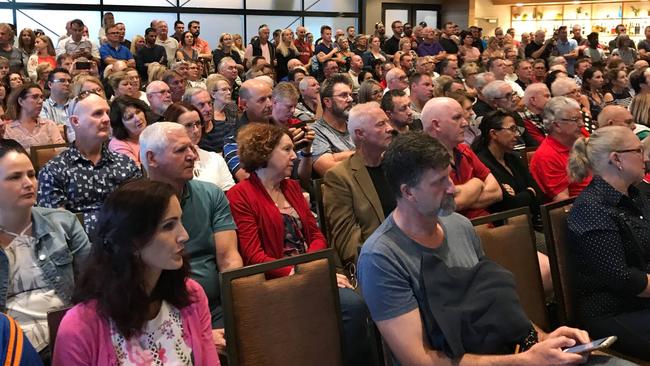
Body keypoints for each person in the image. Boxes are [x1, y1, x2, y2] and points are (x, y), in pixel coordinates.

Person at [357, 131, 632, 366]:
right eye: (439, 182)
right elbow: (420, 360)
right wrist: (523, 361)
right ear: (408, 192)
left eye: (450, 176)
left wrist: (544, 340)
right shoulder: (381, 257)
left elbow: (496, 306)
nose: (453, 188)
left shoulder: (458, 225)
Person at [226, 122, 374, 366]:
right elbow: (253, 255)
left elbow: (316, 236)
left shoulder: (292, 188)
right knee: (352, 307)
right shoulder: (240, 195)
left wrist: (314, 268)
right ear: (264, 153)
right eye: (286, 150)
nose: (294, 156)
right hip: (276, 280)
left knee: (362, 298)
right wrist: (302, 271)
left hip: (310, 271)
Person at [52, 179, 220, 366]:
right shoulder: (80, 326)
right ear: (132, 241)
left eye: (180, 221)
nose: (184, 235)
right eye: (168, 226)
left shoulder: (191, 295)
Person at [140, 122, 240, 355]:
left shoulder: (210, 194)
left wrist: (237, 310)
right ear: (152, 159)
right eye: (180, 150)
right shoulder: (134, 206)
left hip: (215, 306)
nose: (192, 156)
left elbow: (229, 259)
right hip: (158, 310)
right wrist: (196, 332)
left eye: (192, 148)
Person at [0, 138, 90, 359]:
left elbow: (93, 281)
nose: (29, 183)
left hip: (67, 334)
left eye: (31, 174)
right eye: (15, 177)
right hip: (14, 347)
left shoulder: (64, 222)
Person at [567, 126, 650, 361]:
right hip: (615, 312)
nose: (645, 157)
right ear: (617, 159)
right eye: (638, 150)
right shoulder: (592, 209)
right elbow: (621, 277)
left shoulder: (636, 195)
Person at [37, 91, 142, 233]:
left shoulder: (124, 164)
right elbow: (56, 229)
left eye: (107, 113)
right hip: (77, 250)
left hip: (124, 246)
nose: (106, 119)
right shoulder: (54, 170)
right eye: (97, 114)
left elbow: (138, 213)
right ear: (75, 121)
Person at [324, 102, 394, 268]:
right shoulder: (339, 177)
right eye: (381, 124)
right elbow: (348, 242)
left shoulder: (397, 164)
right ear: (360, 134)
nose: (390, 128)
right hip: (377, 262)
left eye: (388, 122)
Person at [421, 97, 502, 219]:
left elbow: (496, 192)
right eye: (457, 118)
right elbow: (445, 208)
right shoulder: (422, 160)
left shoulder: (464, 149)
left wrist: (463, 198)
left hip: (486, 226)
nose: (465, 123)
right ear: (436, 125)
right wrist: (477, 183)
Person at [529, 96, 591, 201]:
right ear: (557, 125)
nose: (582, 124)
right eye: (575, 120)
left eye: (581, 118)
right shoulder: (546, 156)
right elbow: (563, 204)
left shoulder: (581, 138)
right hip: (585, 210)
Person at [164, 102, 234, 191]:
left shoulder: (215, 159)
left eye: (198, 123)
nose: (196, 130)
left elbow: (230, 193)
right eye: (188, 125)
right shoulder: (165, 164)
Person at [311, 73, 355, 177]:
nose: (350, 99)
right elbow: (329, 170)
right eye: (343, 95)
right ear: (327, 102)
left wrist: (336, 156)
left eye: (350, 95)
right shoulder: (315, 131)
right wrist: (362, 154)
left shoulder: (355, 125)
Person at [3, 83, 64, 150]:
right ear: (21, 101)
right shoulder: (8, 130)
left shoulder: (49, 124)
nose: (41, 101)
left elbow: (61, 151)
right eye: (35, 97)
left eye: (41, 97)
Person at [108, 95, 149, 166]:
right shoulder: (117, 145)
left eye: (138, 112)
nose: (138, 118)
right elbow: (139, 173)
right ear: (121, 125)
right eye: (130, 117)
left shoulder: (153, 130)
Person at [201, 74, 236, 154]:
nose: (228, 92)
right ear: (213, 94)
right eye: (224, 90)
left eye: (229, 89)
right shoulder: (207, 114)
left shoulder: (232, 108)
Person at [39, 68, 72, 140]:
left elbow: (85, 129)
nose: (67, 84)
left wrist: (59, 129)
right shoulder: (42, 106)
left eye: (69, 81)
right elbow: (46, 132)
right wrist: (72, 130)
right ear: (50, 84)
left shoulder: (77, 104)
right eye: (62, 81)